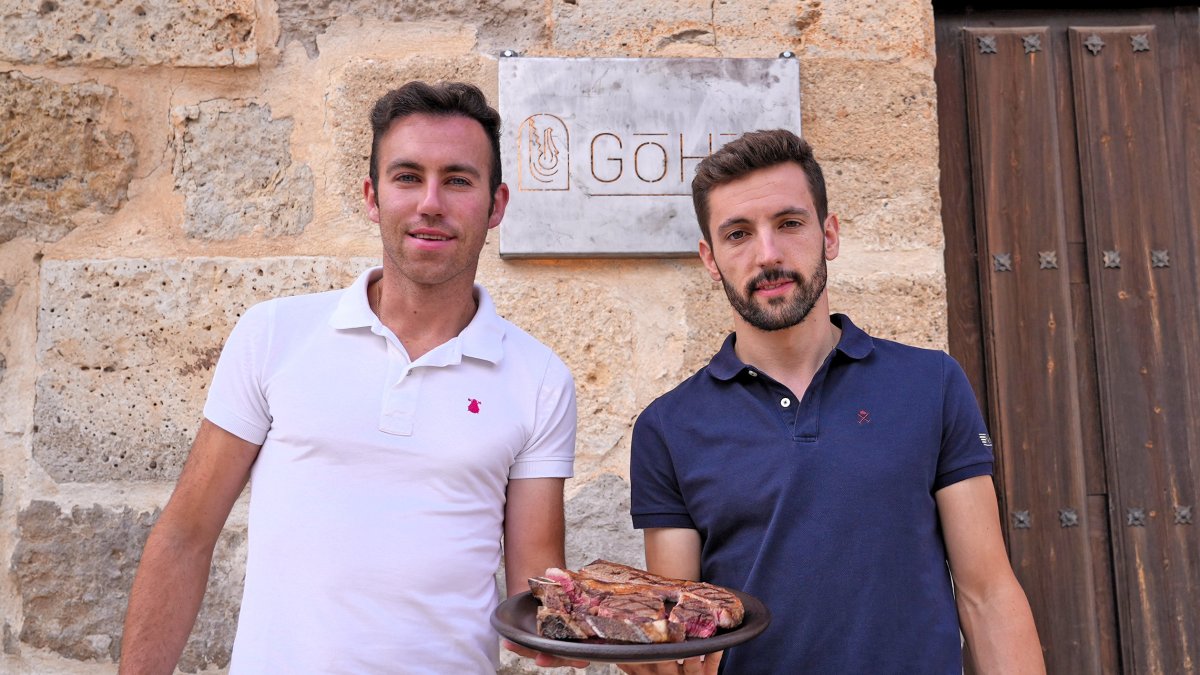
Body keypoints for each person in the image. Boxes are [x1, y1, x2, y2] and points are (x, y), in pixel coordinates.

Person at [119, 81, 586, 674]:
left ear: (496, 206)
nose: (431, 203)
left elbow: (533, 600)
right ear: (372, 195)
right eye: (408, 176)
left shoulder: (540, 378)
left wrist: (630, 640)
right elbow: (185, 537)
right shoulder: (273, 335)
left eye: (459, 180)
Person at [622, 130, 1045, 674]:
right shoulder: (668, 427)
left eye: (790, 224)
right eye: (738, 234)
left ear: (831, 234)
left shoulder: (930, 383)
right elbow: (682, 634)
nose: (768, 254)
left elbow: (987, 594)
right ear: (710, 258)